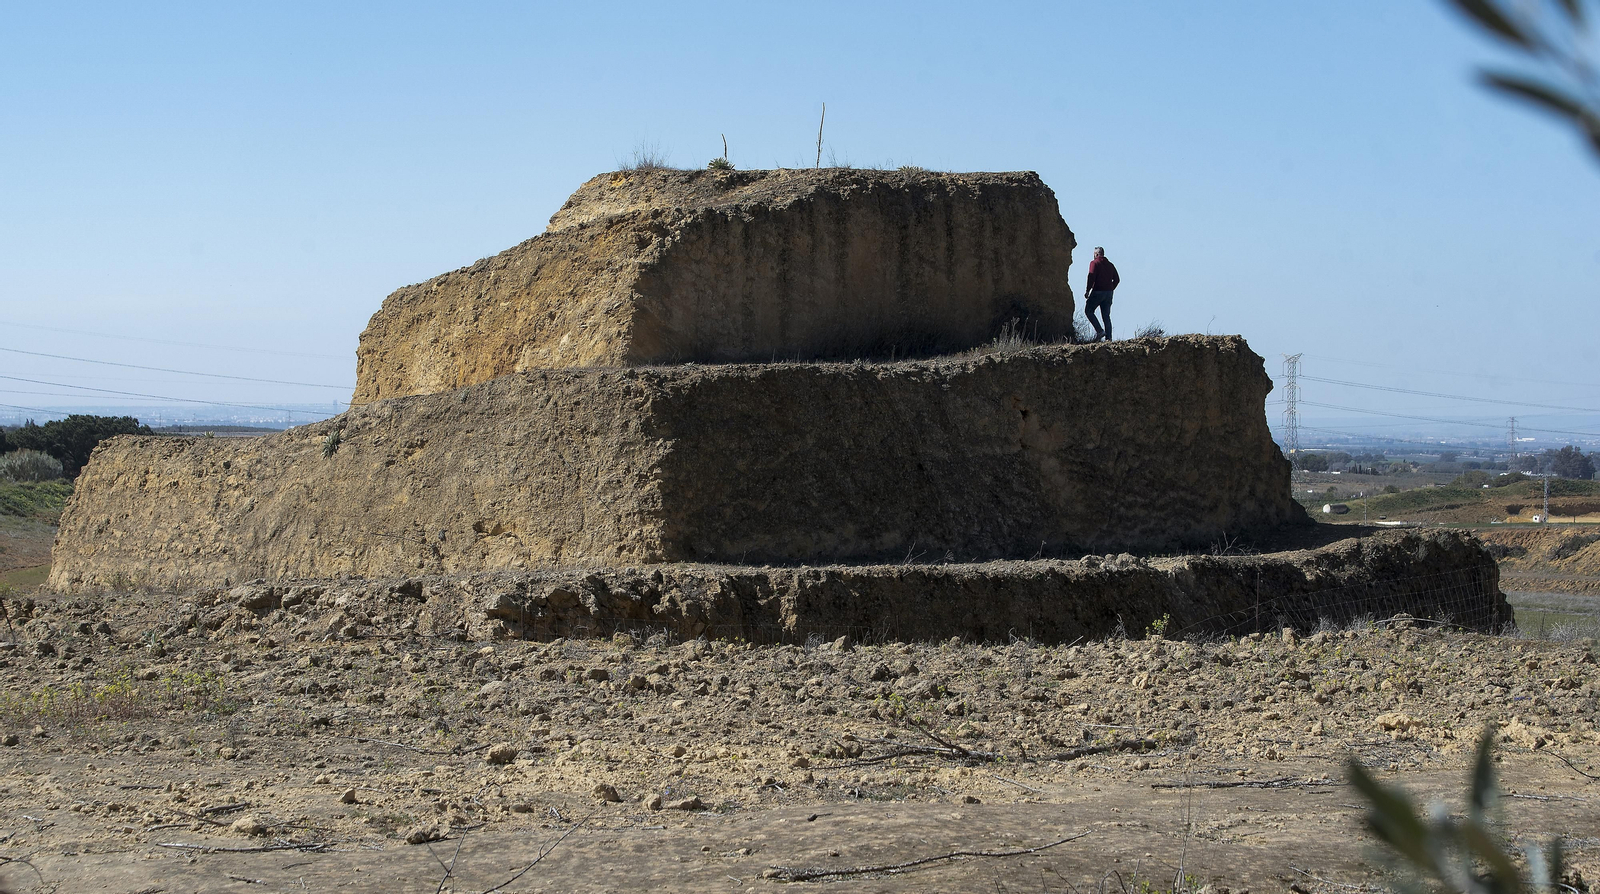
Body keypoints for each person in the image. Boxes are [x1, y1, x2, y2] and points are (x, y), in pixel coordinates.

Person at [1082, 246, 1120, 342]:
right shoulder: (1110, 265)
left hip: (1098, 291)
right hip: (1109, 293)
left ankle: (1100, 331)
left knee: (1089, 311)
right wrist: (1111, 288)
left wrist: (1087, 290)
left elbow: (1091, 277)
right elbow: (1117, 279)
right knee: (1106, 316)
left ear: (1097, 254)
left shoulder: (1094, 263)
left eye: (1094, 254)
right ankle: (1109, 338)